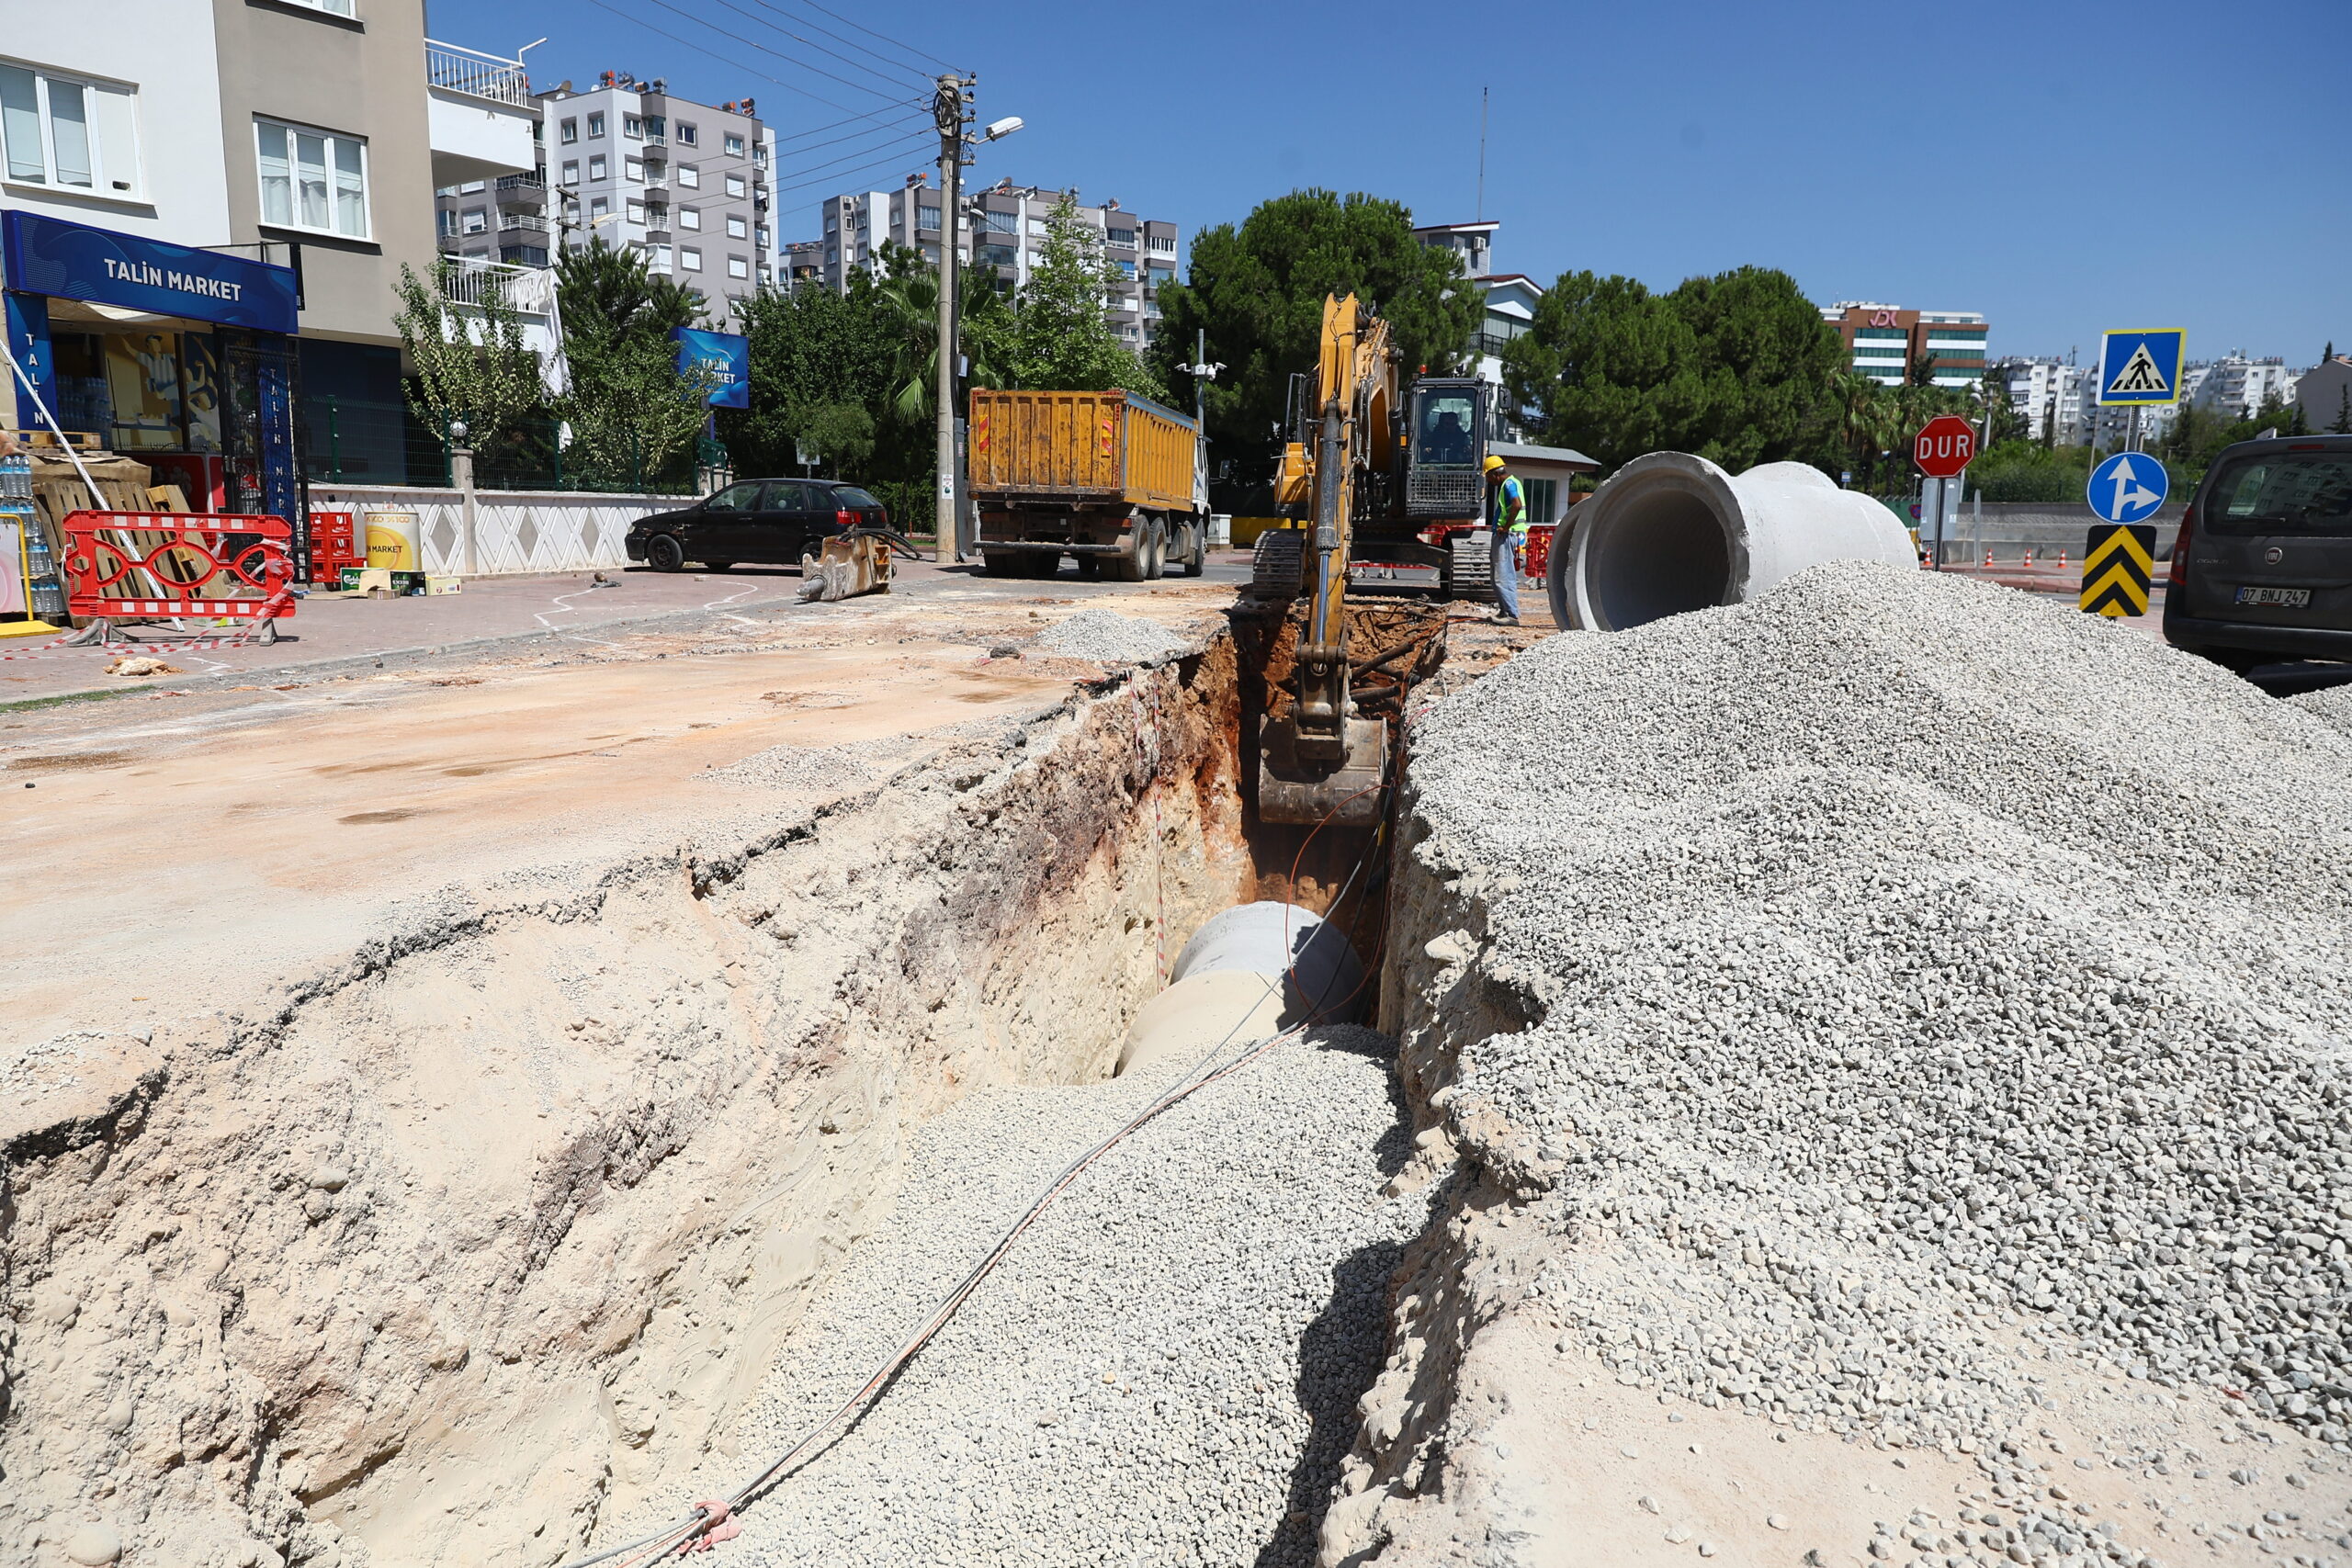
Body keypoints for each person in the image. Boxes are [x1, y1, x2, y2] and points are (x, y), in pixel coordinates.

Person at [1483, 454, 1525, 624]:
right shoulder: (1508, 484)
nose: (1489, 481)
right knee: (1497, 575)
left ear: (1495, 474)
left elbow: (1517, 504)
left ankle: (1512, 615)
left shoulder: (1509, 484)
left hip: (1507, 535)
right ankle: (1504, 610)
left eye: (1488, 477)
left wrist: (1506, 527)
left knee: (1503, 575)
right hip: (1505, 534)